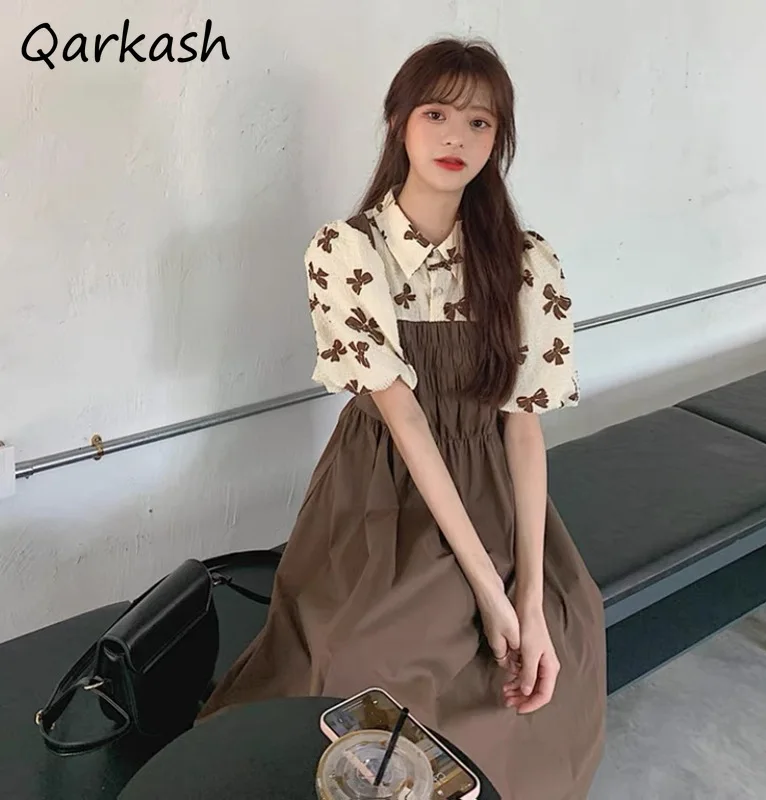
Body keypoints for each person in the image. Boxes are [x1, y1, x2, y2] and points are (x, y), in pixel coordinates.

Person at [197, 36, 606, 799]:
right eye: (437, 114)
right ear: (398, 121)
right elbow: (406, 422)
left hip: (493, 485)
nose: (458, 137)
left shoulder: (526, 260)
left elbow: (522, 426)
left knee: (566, 624)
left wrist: (525, 595)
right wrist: (488, 591)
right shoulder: (348, 251)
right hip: (382, 488)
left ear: (500, 139)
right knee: (373, 648)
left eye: (481, 123)